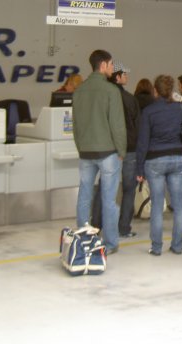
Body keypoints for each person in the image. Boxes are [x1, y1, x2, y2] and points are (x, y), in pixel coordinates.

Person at [71, 49, 127, 253]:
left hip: (86, 152)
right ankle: (110, 243)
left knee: (84, 195)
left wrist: (81, 147)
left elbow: (75, 126)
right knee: (108, 199)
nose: (113, 68)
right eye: (111, 64)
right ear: (103, 65)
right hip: (108, 152)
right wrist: (121, 150)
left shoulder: (79, 91)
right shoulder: (111, 91)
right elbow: (117, 125)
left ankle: (83, 238)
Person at [136, 74, 182, 256]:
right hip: (177, 158)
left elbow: (143, 142)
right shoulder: (180, 108)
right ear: (172, 90)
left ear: (155, 90)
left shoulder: (149, 112)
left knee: (157, 205)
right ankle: (177, 246)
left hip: (154, 161)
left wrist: (139, 168)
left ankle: (157, 246)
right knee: (179, 205)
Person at [109, 60, 140, 239]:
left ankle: (98, 224)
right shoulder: (130, 99)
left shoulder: (106, 97)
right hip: (130, 150)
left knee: (107, 189)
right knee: (129, 190)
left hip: (110, 149)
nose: (127, 77)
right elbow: (137, 125)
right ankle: (124, 227)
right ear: (118, 77)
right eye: (125, 74)